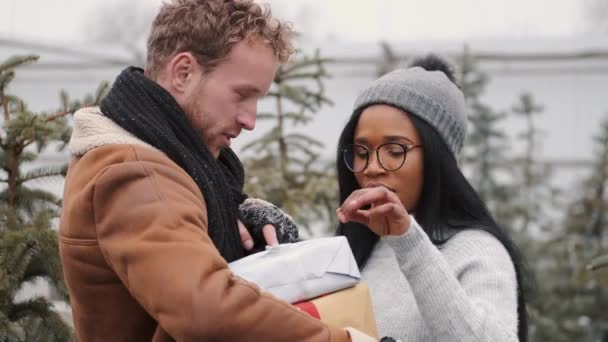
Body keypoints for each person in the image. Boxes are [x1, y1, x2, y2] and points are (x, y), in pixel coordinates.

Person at [59, 0, 373, 341]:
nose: (250, 120)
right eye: (242, 95)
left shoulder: (173, 168)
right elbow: (206, 309)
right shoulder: (136, 175)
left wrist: (235, 214)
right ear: (183, 73)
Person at [335, 55, 529, 341]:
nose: (373, 167)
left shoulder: (478, 251)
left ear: (438, 159)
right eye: (362, 153)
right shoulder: (357, 246)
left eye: (395, 151)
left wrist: (407, 239)